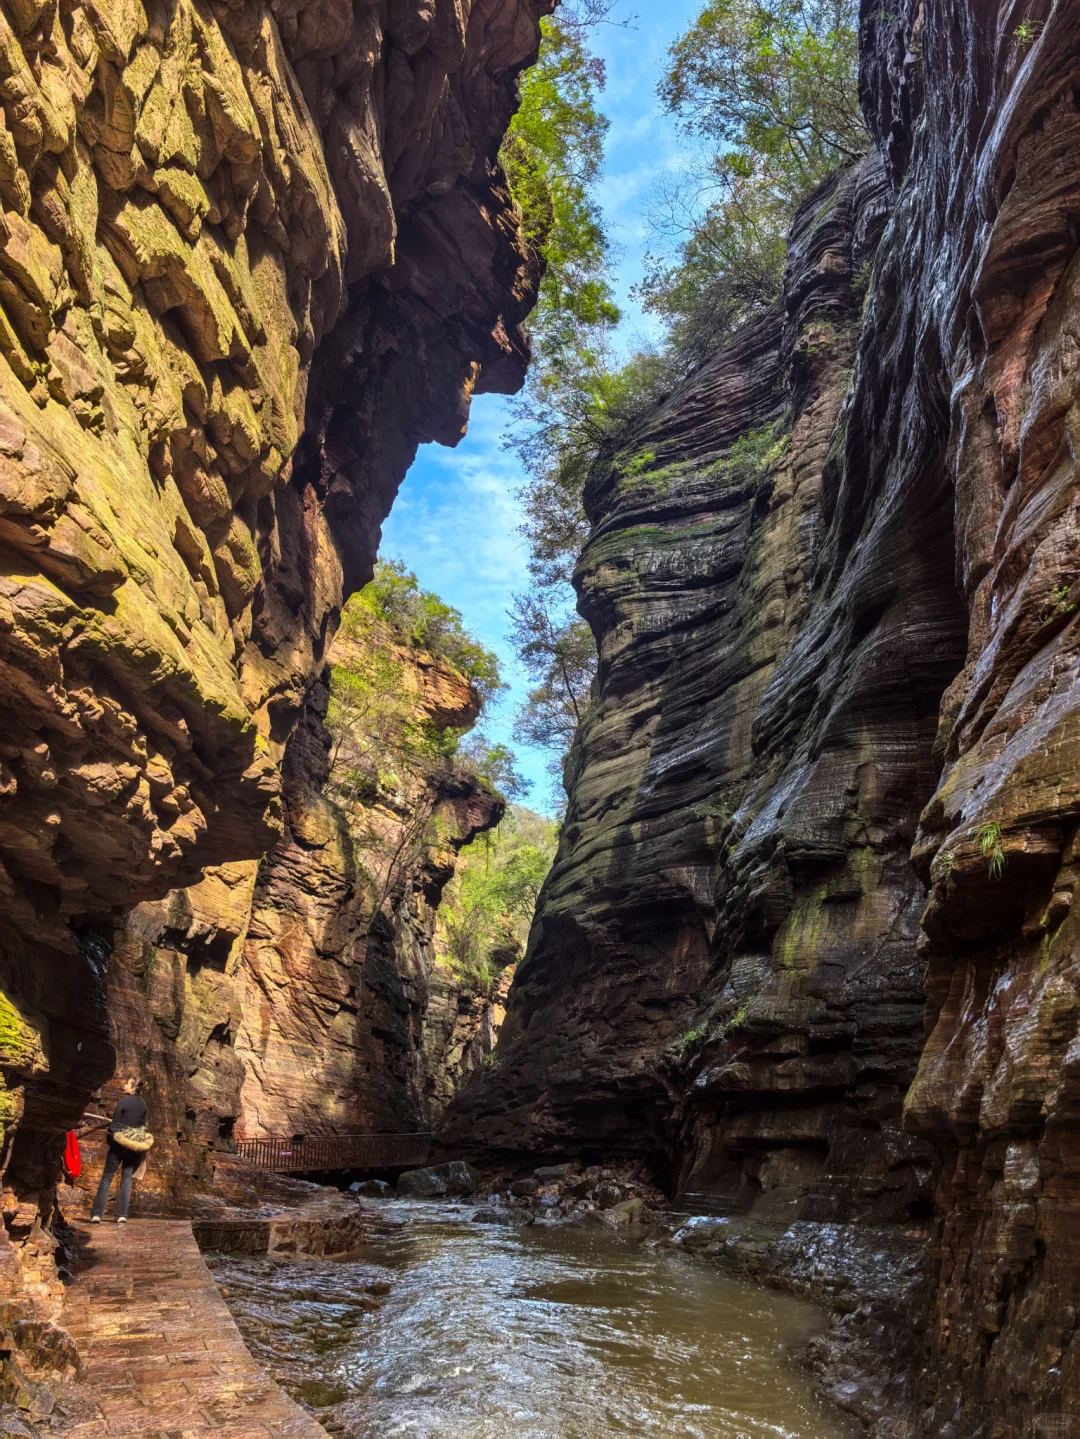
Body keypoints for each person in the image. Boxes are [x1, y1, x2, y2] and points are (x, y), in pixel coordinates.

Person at [90, 1078, 147, 1225]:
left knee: (107, 1177)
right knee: (126, 1179)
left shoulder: (123, 1101)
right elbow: (142, 1127)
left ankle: (97, 1214)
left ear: (133, 1087)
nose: (124, 1085)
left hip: (119, 1144)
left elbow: (115, 1123)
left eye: (127, 1083)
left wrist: (111, 1140)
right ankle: (121, 1215)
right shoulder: (143, 1104)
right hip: (133, 1145)